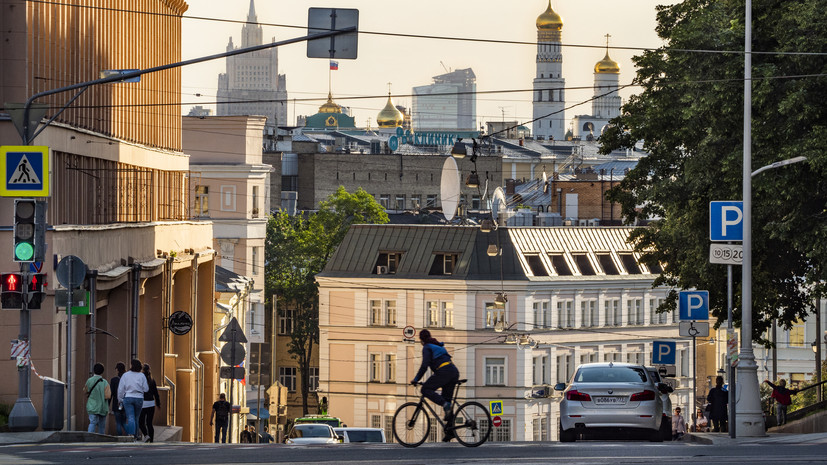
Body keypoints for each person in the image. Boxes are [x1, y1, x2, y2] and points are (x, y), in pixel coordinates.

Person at [410, 329, 460, 442]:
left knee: (426, 389)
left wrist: (416, 379)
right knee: (447, 400)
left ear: (421, 340)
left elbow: (425, 365)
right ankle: (450, 431)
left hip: (444, 371)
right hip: (453, 371)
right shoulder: (437, 345)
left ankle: (445, 404)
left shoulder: (427, 347)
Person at [118, 359, 148, 440]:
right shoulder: (142, 376)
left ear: (131, 365)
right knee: (136, 417)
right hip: (139, 398)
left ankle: (131, 435)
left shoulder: (126, 375)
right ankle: (137, 435)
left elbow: (121, 389)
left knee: (130, 417)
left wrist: (120, 399)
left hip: (128, 397)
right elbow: (146, 389)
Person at [84, 363, 111, 434]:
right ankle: (101, 439)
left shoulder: (89, 380)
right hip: (102, 407)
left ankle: (89, 437)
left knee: (92, 422)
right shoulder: (105, 382)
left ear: (93, 370)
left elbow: (85, 390)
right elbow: (108, 395)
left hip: (92, 406)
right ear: (102, 371)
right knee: (102, 425)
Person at [139, 364, 161, 443]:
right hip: (151, 404)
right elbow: (156, 393)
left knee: (141, 422)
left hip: (143, 403)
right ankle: (151, 440)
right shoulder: (152, 380)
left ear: (143, 370)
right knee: (149, 423)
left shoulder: (141, 379)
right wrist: (158, 403)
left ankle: (146, 435)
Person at [110, 362, 127, 435]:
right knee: (124, 422)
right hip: (125, 403)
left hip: (117, 403)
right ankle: (129, 434)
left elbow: (111, 393)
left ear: (117, 370)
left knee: (118, 422)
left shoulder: (114, 380)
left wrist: (108, 403)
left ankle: (119, 437)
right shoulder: (127, 379)